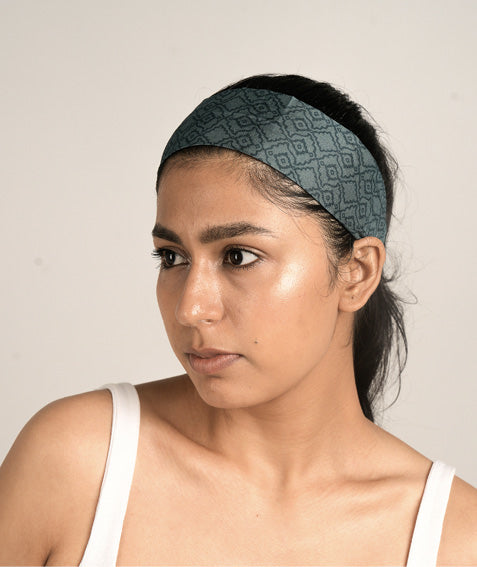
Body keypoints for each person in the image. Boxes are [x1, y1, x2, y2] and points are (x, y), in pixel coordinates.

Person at [0, 74, 476, 566]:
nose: (190, 308)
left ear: (357, 273)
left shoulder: (456, 542)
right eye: (172, 257)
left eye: (238, 256)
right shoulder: (79, 463)